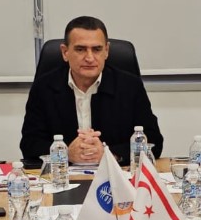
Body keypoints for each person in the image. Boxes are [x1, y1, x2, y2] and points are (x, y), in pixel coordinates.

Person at [19, 15, 163, 164]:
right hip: (63, 175)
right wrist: (66, 153)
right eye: (80, 49)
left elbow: (154, 142)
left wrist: (109, 154)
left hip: (113, 174)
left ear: (106, 51)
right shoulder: (44, 87)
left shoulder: (130, 86)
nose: (89, 58)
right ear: (65, 52)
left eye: (97, 49)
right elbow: (29, 144)